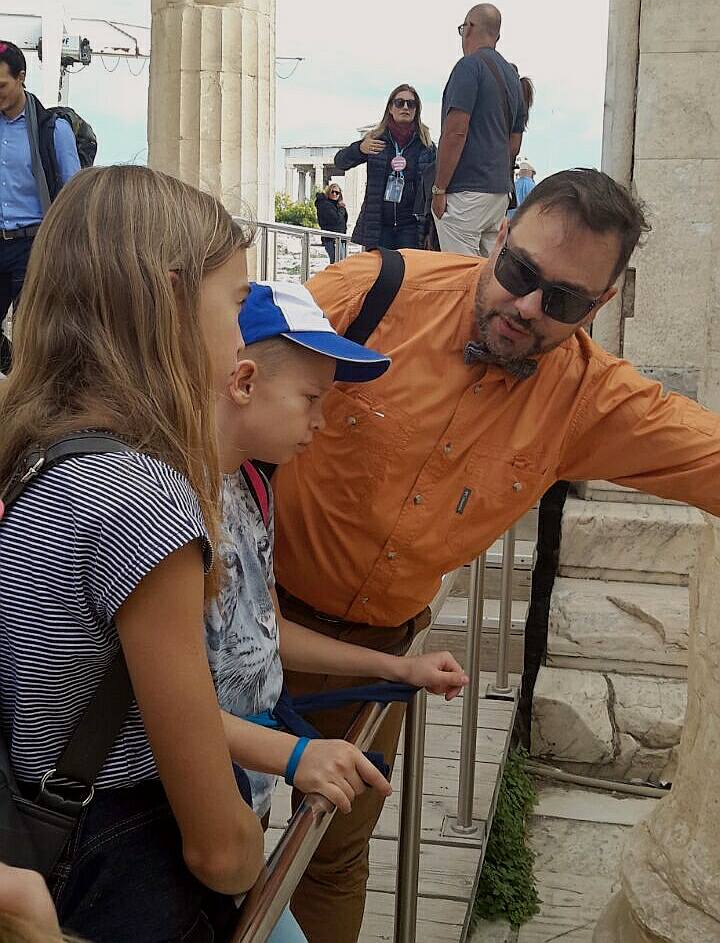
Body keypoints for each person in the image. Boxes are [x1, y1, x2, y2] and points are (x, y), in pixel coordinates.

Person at [270, 166, 720, 943]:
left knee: (332, 856)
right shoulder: (373, 291)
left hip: (374, 656)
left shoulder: (588, 398)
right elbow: (212, 382)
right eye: (519, 272)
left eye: (564, 302)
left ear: (600, 306)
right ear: (500, 235)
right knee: (197, 832)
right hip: (243, 610)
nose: (527, 307)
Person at [0, 165, 264, 943]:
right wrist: (254, 852)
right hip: (118, 873)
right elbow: (217, 849)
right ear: (172, 301)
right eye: (235, 305)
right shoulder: (142, 500)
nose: (241, 340)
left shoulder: (27, 456)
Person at [207, 281, 468, 942]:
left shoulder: (251, 485)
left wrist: (396, 668)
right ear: (244, 381)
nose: (322, 422)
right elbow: (154, 713)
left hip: (243, 794)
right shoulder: (171, 503)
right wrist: (295, 753)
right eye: (311, 400)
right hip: (179, 811)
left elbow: (268, 631)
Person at [0, 41, 81, 374]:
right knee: (21, 353)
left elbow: (74, 193)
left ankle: (25, 385)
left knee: (32, 332)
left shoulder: (53, 129)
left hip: (34, 243)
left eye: (1, 85)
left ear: (21, 77)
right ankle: (17, 374)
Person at [432, 5, 525, 257]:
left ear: (469, 28)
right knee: (489, 272)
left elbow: (455, 133)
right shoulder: (513, 78)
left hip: (466, 192)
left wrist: (439, 189)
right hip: (499, 191)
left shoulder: (469, 67)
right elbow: (514, 143)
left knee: (460, 272)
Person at [334, 84, 436, 250]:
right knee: (379, 267)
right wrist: (360, 149)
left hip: (411, 227)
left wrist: (429, 229)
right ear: (390, 108)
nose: (405, 107)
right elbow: (340, 162)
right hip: (378, 226)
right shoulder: (375, 139)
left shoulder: (426, 146)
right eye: (399, 103)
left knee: (408, 267)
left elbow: (434, 187)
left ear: (417, 110)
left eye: (411, 104)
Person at [314, 184, 348, 264]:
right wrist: (342, 208)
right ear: (328, 192)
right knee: (337, 264)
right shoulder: (325, 204)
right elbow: (336, 219)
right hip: (332, 239)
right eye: (332, 192)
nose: (334, 194)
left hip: (341, 238)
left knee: (341, 264)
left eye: (337, 192)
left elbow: (342, 221)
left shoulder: (336, 205)